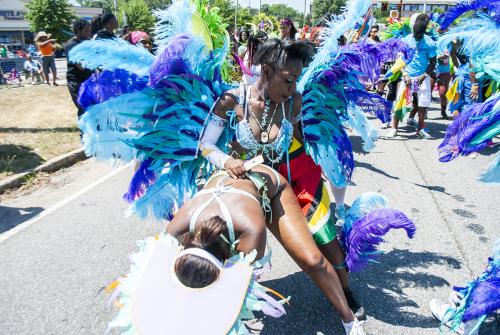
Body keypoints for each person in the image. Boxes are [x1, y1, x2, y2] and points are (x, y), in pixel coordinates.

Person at [167, 164, 366, 334]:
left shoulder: (250, 227)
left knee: (313, 261)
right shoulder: (177, 227)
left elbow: (240, 286)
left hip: (272, 189)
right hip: (231, 188)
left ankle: (348, 318)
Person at [386, 13, 436, 139]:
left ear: (424, 32)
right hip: (407, 76)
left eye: (419, 35)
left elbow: (433, 62)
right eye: (415, 33)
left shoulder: (430, 43)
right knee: (399, 102)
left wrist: (425, 75)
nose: (416, 36)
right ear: (412, 29)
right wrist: (405, 73)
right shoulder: (406, 40)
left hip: (422, 77)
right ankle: (394, 128)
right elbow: (400, 60)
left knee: (422, 104)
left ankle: (420, 129)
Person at [64, 19, 93, 118]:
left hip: (87, 80)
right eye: (86, 31)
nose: (89, 33)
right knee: (83, 106)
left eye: (90, 30)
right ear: (78, 30)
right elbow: (81, 66)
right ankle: (84, 132)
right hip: (76, 82)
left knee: (92, 106)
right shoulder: (72, 45)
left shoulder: (86, 42)